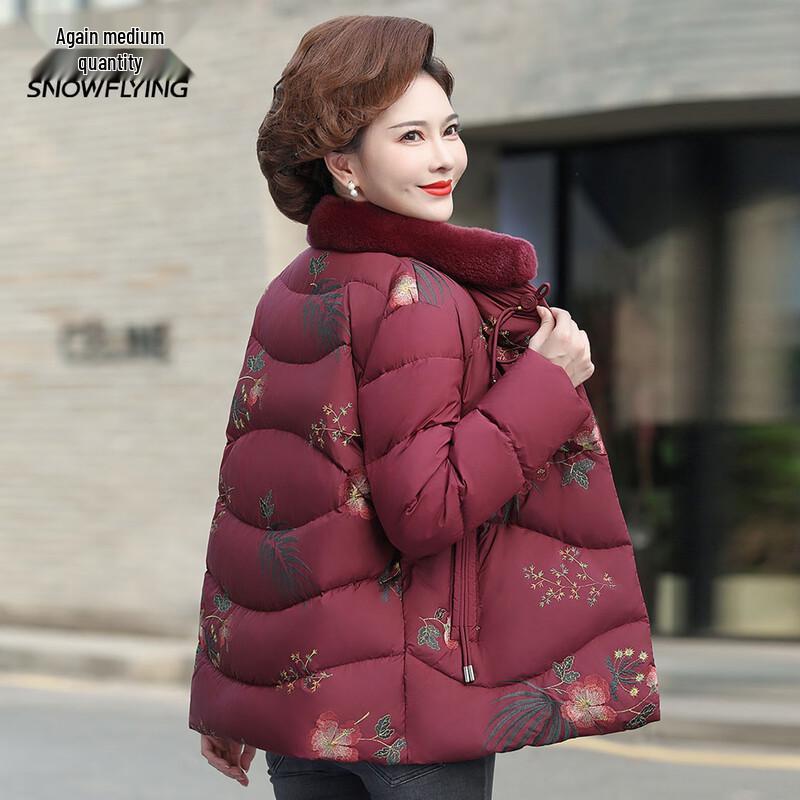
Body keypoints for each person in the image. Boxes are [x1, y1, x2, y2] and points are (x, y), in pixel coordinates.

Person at [188, 14, 660, 799]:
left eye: (449, 129)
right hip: (408, 712)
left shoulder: (291, 290)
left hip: (304, 709)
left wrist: (228, 690)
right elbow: (427, 508)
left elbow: (252, 509)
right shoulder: (420, 293)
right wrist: (547, 381)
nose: (444, 158)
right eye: (410, 137)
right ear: (344, 162)